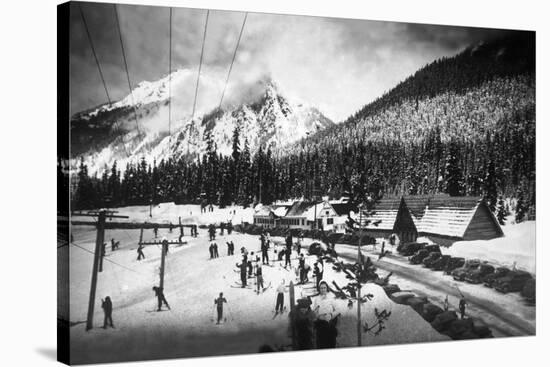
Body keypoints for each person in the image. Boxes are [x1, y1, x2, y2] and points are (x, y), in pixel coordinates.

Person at [313, 281, 338, 348]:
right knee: (321, 343)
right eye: (321, 288)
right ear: (319, 289)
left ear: (327, 288)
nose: (323, 289)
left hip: (330, 322)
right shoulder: (317, 299)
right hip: (320, 323)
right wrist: (319, 316)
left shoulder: (331, 297)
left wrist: (331, 315)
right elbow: (315, 312)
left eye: (324, 288)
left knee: (330, 342)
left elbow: (338, 310)